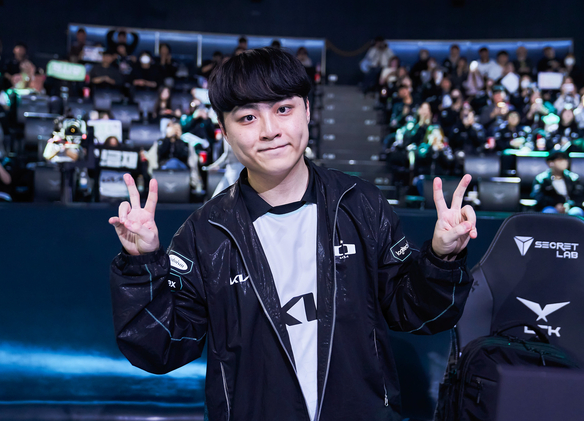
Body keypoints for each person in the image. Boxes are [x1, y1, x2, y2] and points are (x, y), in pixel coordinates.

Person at [108, 47, 476, 421]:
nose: (270, 131)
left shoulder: (361, 204)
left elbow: (416, 313)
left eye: (283, 109)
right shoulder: (205, 235)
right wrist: (142, 265)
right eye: (248, 117)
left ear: (307, 111)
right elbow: (161, 349)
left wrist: (442, 258)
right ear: (224, 130)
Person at [531, 151, 584, 216]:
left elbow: (579, 196)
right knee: (549, 212)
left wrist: (568, 205)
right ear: (550, 163)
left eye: (565, 159)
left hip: (570, 207)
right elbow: (538, 196)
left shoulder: (573, 178)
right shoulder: (541, 179)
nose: (564, 162)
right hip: (550, 206)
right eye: (560, 160)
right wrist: (555, 204)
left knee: (576, 212)